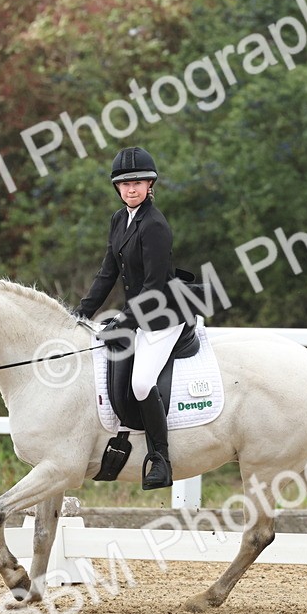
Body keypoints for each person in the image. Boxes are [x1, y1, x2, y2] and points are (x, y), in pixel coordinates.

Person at [76, 147, 188, 491]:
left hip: (163, 315)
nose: (131, 189)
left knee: (141, 383)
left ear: (150, 184)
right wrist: (82, 311)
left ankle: (160, 459)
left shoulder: (154, 225)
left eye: (137, 183)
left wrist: (124, 320)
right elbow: (107, 272)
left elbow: (153, 286)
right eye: (124, 184)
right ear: (117, 188)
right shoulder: (118, 219)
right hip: (139, 312)